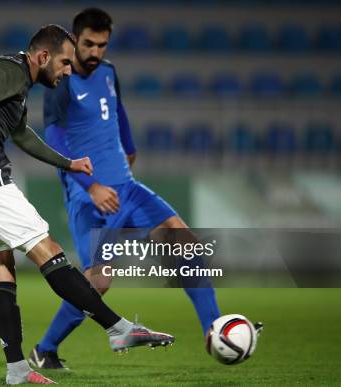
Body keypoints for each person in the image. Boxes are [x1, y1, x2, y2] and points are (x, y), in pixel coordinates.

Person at [0, 24, 174, 385]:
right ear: (43, 57)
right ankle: (118, 328)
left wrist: (68, 163)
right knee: (49, 250)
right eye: (64, 63)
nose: (68, 71)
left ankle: (16, 371)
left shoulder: (16, 85)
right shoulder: (9, 70)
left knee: (0, 268)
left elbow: (23, 135)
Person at [27, 8, 221, 370]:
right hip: (89, 198)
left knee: (185, 241)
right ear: (74, 39)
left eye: (102, 45)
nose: (95, 53)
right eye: (88, 44)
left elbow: (119, 111)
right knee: (98, 282)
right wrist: (92, 184)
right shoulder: (61, 81)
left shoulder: (110, 72)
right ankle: (45, 348)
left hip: (128, 189)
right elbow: (53, 137)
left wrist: (130, 149)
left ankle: (215, 330)